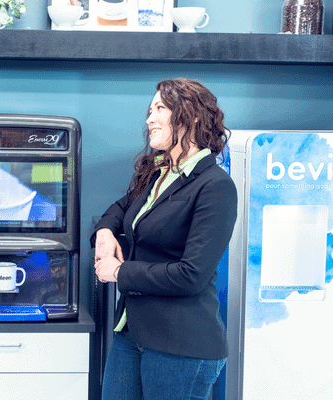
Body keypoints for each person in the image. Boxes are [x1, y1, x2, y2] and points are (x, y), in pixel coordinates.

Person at [92, 78, 237, 400]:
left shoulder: (215, 186)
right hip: (132, 334)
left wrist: (118, 272)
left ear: (193, 115)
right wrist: (104, 233)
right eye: (150, 110)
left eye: (160, 108)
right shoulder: (160, 173)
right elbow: (120, 208)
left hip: (182, 343)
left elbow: (191, 275)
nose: (149, 119)